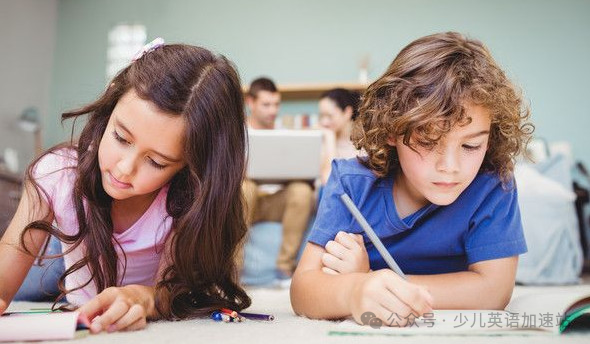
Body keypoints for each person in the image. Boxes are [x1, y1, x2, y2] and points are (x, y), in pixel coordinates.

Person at [0, 41, 251, 333]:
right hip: (66, 240)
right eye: (120, 137)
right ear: (109, 109)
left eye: (156, 162)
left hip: (85, 253)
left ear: (188, 166)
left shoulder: (189, 200)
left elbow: (172, 293)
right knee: (34, 282)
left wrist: (144, 297)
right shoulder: (55, 173)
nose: (124, 169)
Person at [291, 32, 533, 327]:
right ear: (392, 129)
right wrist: (355, 291)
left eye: (471, 146)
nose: (450, 167)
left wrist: (370, 279)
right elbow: (303, 289)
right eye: (428, 142)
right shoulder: (351, 184)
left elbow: (493, 291)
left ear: (491, 136)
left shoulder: (493, 184)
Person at [242, 77, 314, 281]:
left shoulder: (286, 136)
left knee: (302, 190)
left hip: (275, 202)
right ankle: (233, 268)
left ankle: (285, 267)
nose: (273, 110)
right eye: (266, 105)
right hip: (245, 200)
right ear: (250, 103)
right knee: (245, 187)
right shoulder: (236, 134)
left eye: (276, 104)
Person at [318, 88, 362, 186]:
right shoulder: (322, 143)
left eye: (329, 116)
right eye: (322, 116)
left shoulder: (363, 146)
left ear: (347, 112)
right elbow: (327, 185)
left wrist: (329, 138)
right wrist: (329, 139)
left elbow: (332, 182)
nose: (324, 122)